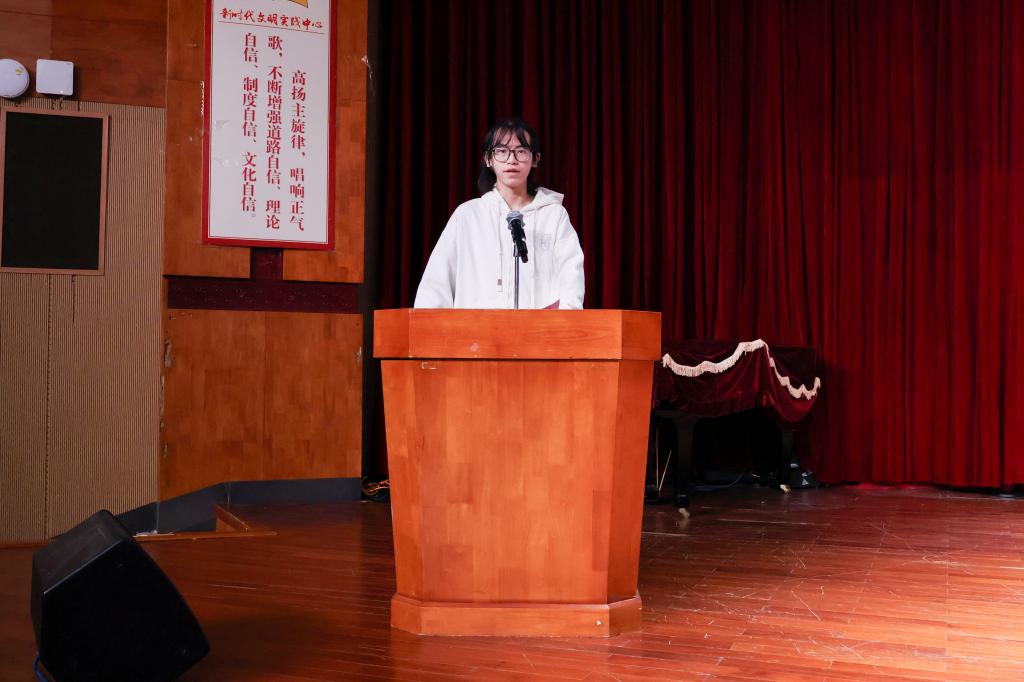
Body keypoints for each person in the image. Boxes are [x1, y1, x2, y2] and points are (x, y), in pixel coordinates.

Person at [413, 118, 585, 309]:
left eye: (521, 151)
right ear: (488, 159)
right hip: (476, 328)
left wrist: (566, 322)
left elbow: (571, 279)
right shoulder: (468, 215)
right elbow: (436, 285)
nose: (512, 159)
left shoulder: (553, 216)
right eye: (502, 151)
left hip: (540, 327)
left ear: (535, 159)